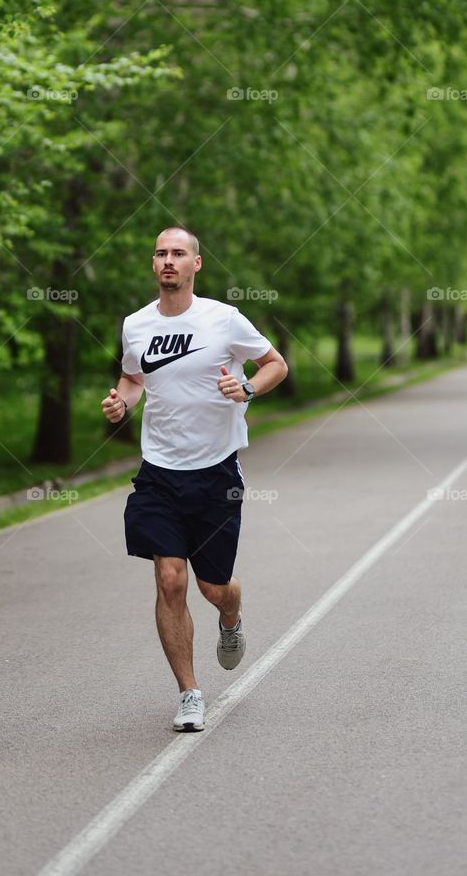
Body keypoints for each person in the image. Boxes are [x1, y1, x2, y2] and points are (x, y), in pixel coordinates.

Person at [102, 226, 288, 732]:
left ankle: (232, 616)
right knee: (169, 578)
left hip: (216, 472)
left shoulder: (223, 320)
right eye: (160, 253)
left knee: (213, 587)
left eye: (178, 254)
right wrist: (122, 402)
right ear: (153, 263)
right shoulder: (136, 325)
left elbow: (276, 363)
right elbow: (134, 377)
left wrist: (246, 387)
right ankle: (189, 693)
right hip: (159, 471)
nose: (168, 261)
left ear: (195, 265)